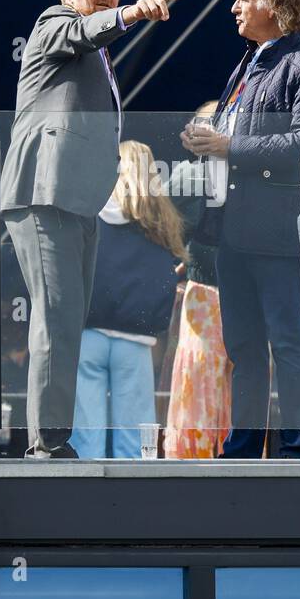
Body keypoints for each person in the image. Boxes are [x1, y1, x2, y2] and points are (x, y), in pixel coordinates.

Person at [0, 0, 178, 458]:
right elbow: (86, 31)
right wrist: (133, 13)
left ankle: (54, 437)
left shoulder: (95, 51)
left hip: (78, 198)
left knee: (67, 317)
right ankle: (48, 443)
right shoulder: (54, 23)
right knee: (56, 316)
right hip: (44, 190)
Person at [180, 0, 300, 459]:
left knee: (286, 342)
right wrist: (204, 139)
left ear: (273, 3)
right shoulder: (247, 65)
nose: (234, 7)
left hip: (274, 232)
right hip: (232, 231)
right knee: (243, 347)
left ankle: (295, 449)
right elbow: (236, 134)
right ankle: (244, 445)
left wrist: (227, 147)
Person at [71, 140, 185, 458]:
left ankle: (87, 496)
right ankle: (132, 500)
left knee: (86, 435)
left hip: (88, 334)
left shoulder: (88, 214)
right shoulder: (159, 222)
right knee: (134, 441)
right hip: (136, 340)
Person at [164, 102, 233, 459]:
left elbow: (169, 231)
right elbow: (170, 231)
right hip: (211, 294)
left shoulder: (196, 176)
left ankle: (201, 462)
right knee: (214, 384)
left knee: (203, 385)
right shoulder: (191, 176)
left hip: (219, 294)